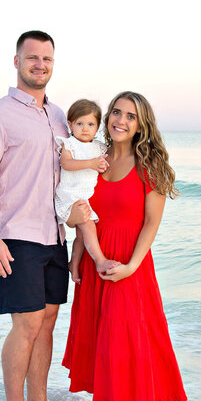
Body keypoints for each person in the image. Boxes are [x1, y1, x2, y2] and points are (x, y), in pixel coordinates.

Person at [0, 30, 87, 401]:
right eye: (32, 57)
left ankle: (39, 397)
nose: (40, 65)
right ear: (16, 61)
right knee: (28, 322)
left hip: (54, 235)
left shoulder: (59, 117)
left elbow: (73, 175)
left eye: (47, 59)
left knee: (50, 318)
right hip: (15, 235)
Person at [62, 91, 187, 401]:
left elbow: (151, 223)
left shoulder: (150, 166)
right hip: (97, 257)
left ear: (140, 125)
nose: (121, 120)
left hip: (129, 262)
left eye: (130, 116)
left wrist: (132, 266)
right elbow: (80, 210)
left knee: (133, 335)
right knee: (105, 334)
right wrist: (77, 256)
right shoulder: (94, 159)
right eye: (116, 112)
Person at [54, 99, 119, 283]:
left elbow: (112, 159)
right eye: (80, 123)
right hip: (70, 195)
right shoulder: (70, 144)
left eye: (91, 124)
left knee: (82, 236)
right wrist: (91, 163)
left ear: (98, 126)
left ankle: (73, 265)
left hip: (85, 196)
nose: (85, 128)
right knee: (89, 226)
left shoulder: (98, 147)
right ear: (70, 125)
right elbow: (66, 163)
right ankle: (100, 260)